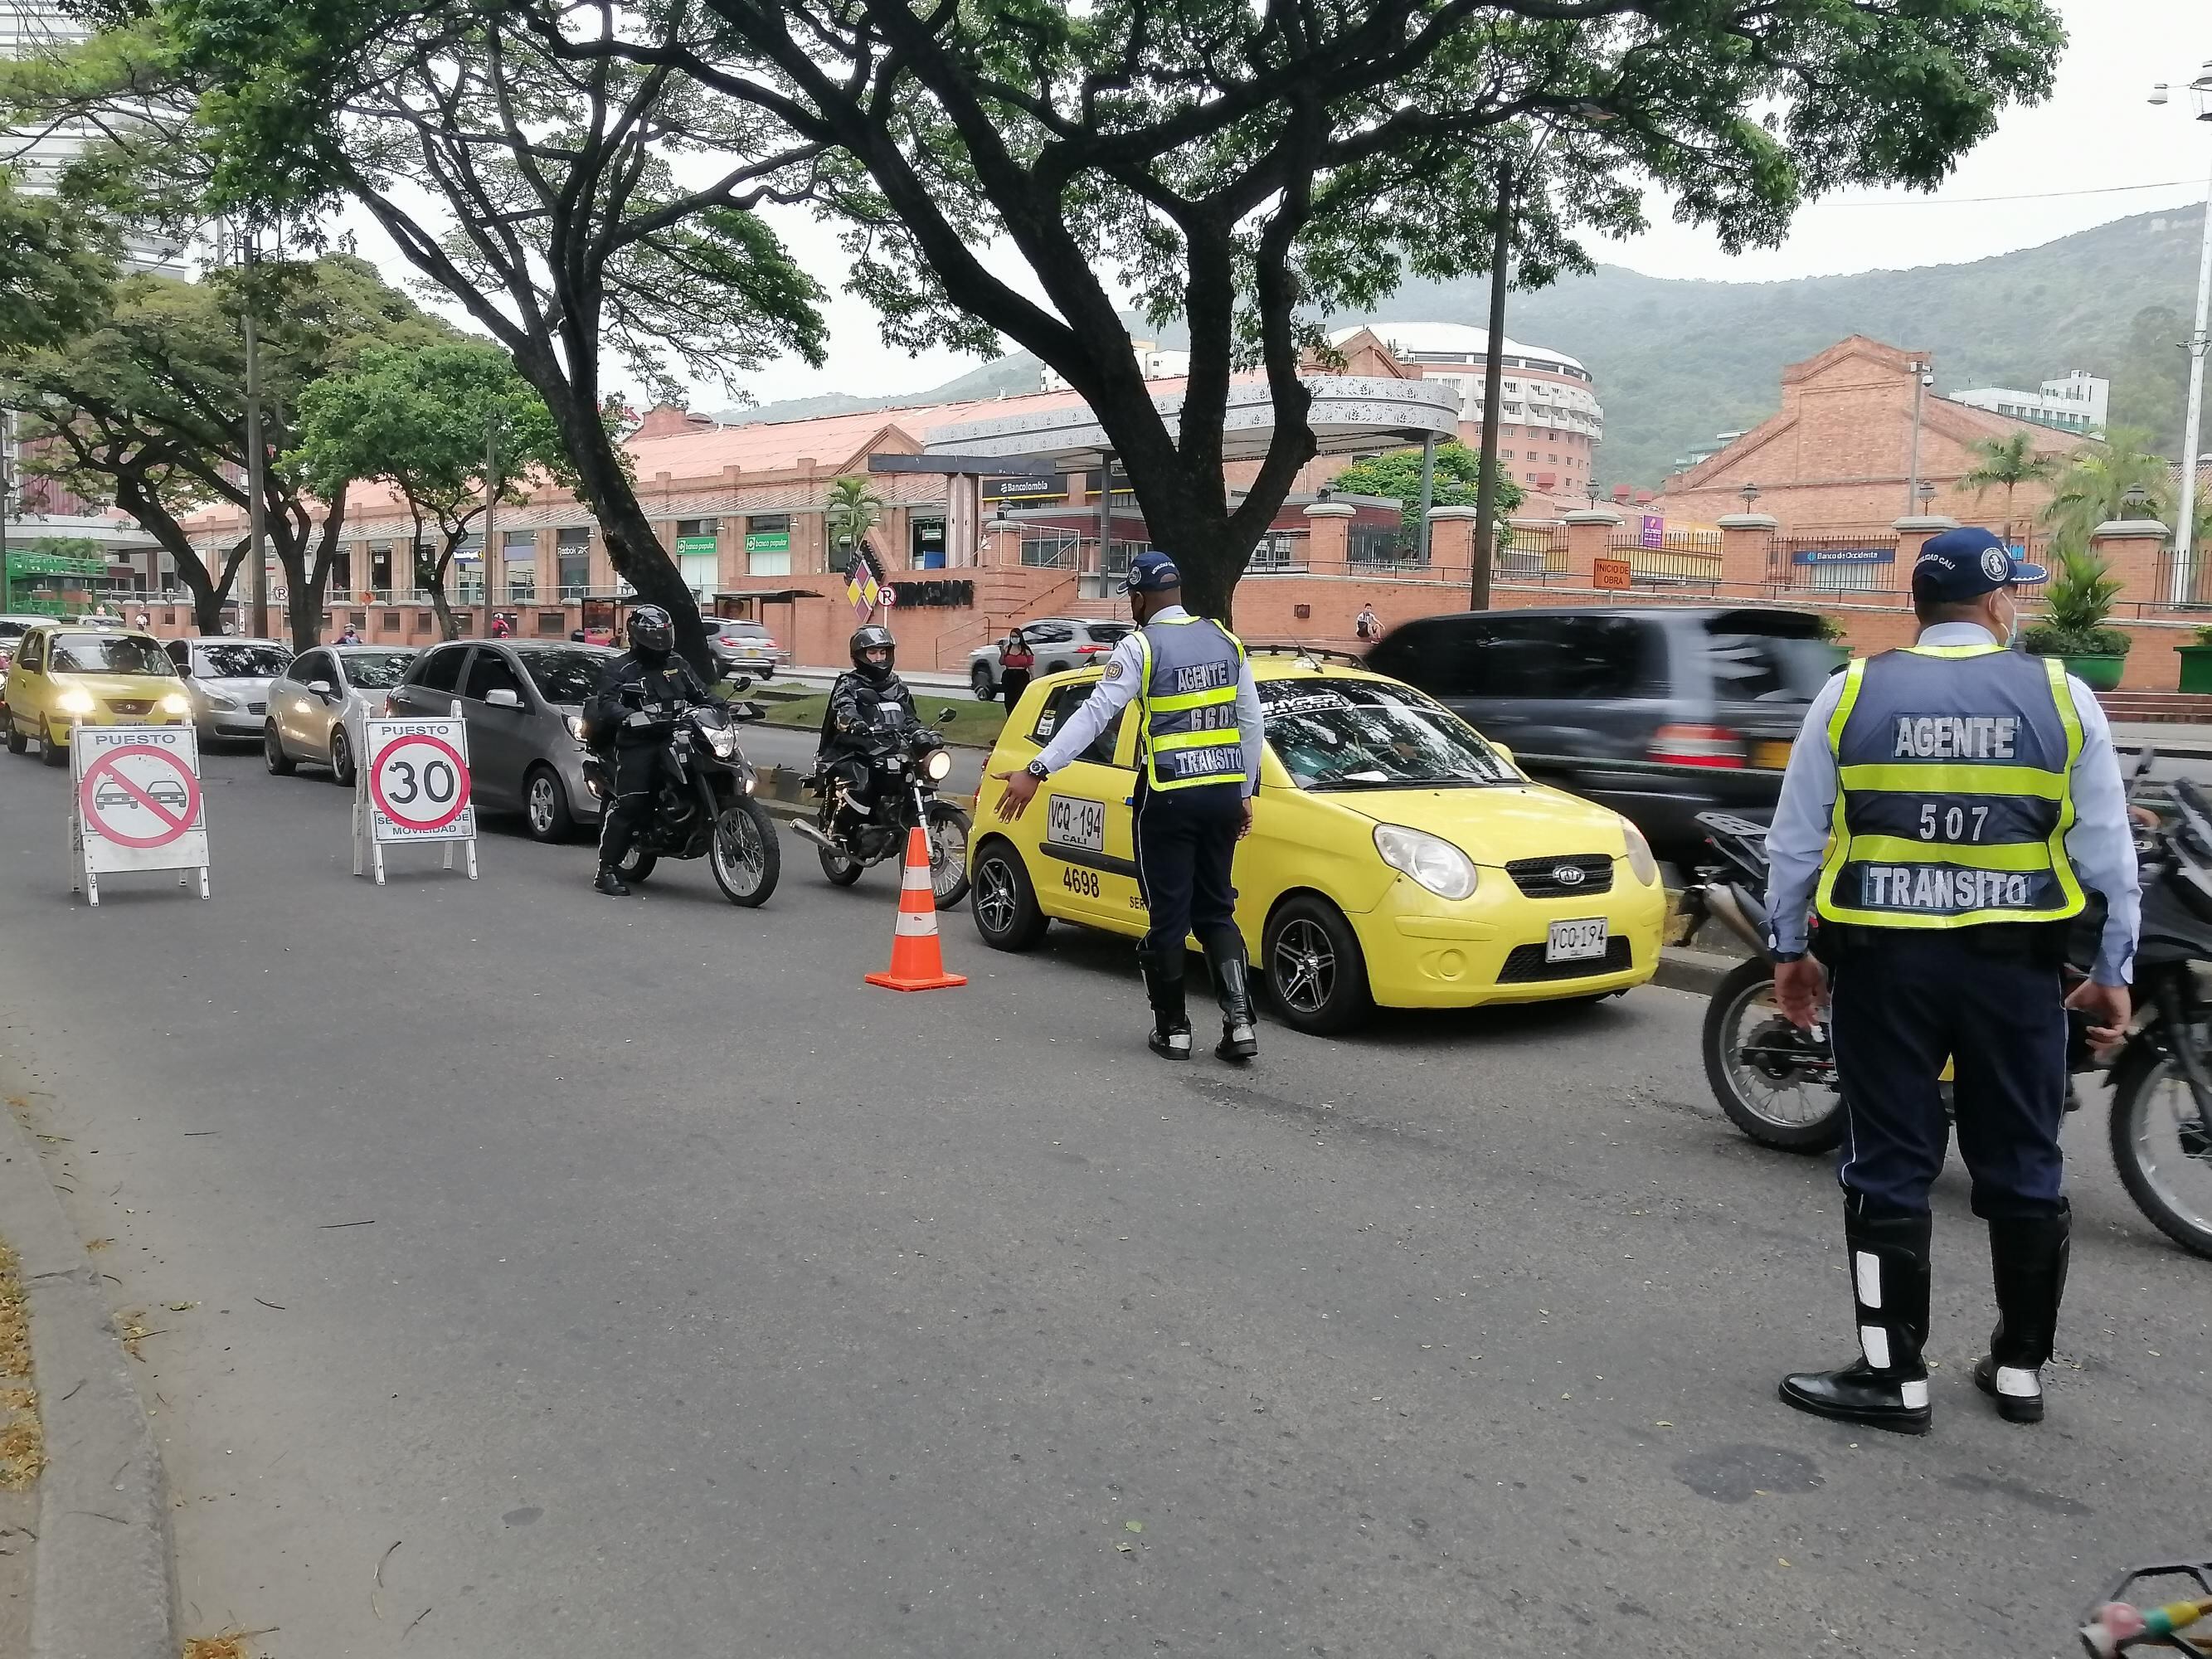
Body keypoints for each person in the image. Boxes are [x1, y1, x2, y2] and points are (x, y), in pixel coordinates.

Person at [1764, 526, 2140, 1435]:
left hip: (1886, 970)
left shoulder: (1851, 692)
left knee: (1888, 1165)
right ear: (1998, 602)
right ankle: (2017, 1368)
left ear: (1920, 607)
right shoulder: (2063, 694)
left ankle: (1893, 1377)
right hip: (2015, 974)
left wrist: (1789, 949)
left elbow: (1795, 839)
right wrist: (2112, 969)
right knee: (2025, 1164)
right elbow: (2108, 850)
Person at [991, 551, 1264, 1063]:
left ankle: (1174, 1031)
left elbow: (1094, 715)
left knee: (1167, 915)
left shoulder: (1141, 647)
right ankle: (1240, 1024)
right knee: (1216, 911)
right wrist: (1246, 790)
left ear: (1138, 598)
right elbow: (1251, 722)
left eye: (1131, 600)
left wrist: (1037, 770)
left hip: (1168, 797)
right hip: (1223, 795)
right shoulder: (1226, 640)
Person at [582, 604, 714, 897]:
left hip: (679, 735)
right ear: (637, 635)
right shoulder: (620, 668)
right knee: (632, 803)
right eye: (653, 635)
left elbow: (701, 693)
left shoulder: (677, 663)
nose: (659, 640)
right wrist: (628, 716)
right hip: (639, 741)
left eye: (663, 634)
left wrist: (726, 706)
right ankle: (606, 871)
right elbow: (607, 702)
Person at [818, 624, 918, 834]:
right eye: (872, 652)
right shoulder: (849, 683)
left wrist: (922, 733)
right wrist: (854, 723)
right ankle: (843, 829)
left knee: (919, 772)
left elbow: (910, 718)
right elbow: (844, 709)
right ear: (859, 656)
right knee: (862, 779)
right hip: (854, 750)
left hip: (890, 748)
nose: (879, 658)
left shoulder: (897, 685)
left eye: (883, 652)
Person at [999, 627, 1035, 707]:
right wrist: (1002, 653)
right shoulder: (1007, 649)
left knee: (1020, 697)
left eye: (1016, 636)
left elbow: (1030, 665)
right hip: (1009, 675)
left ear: (1020, 637)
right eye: (1012, 636)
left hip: (1022, 676)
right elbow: (1001, 662)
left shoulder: (1025, 650)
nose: (1014, 638)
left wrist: (1033, 677)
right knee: (1009, 699)